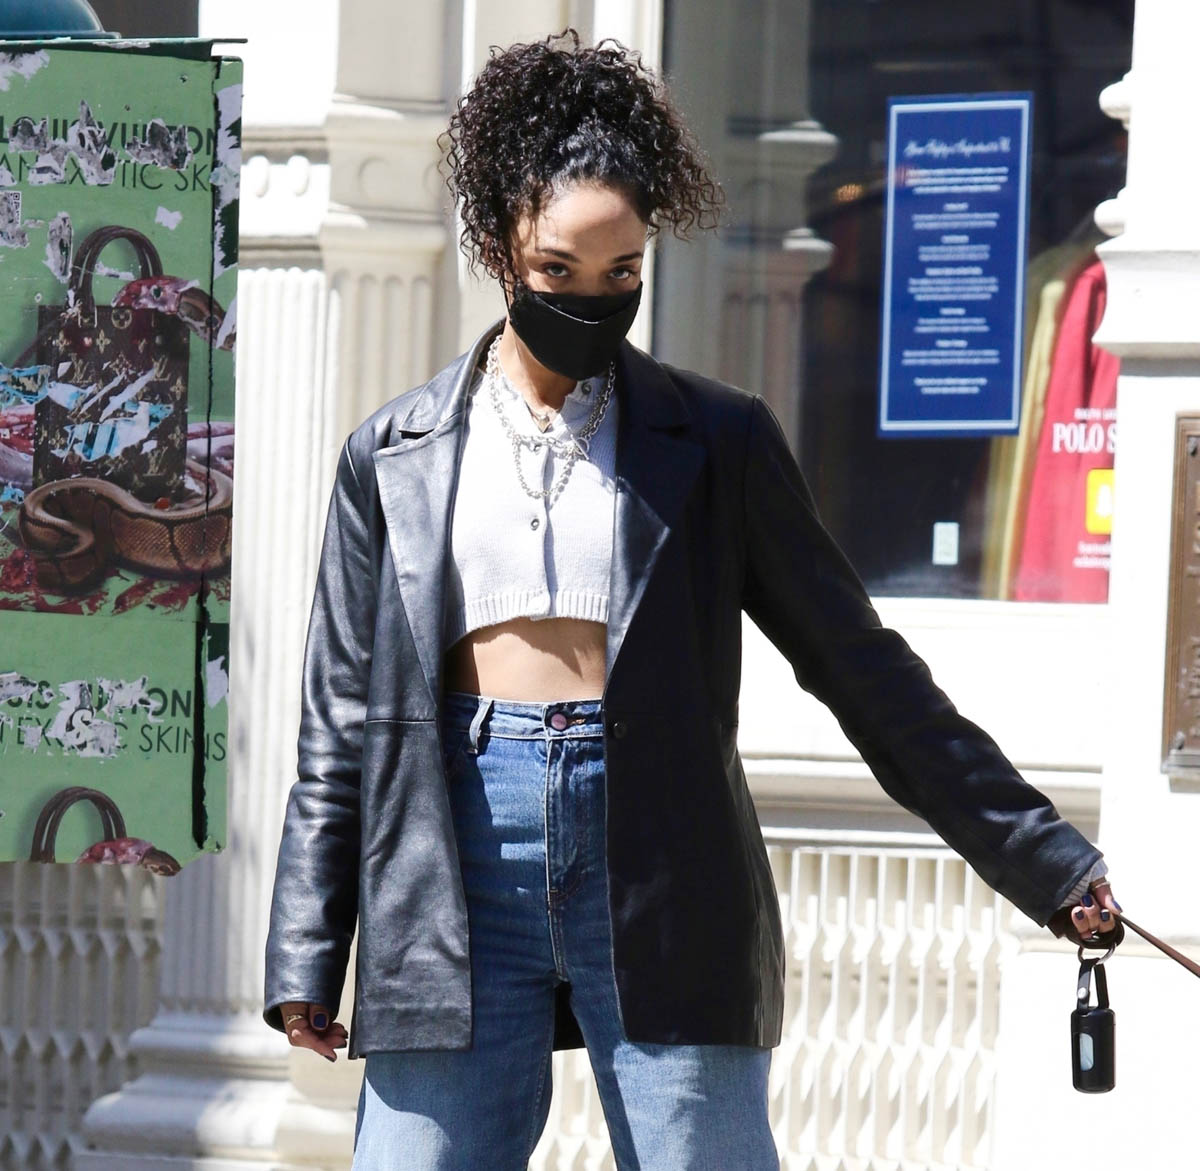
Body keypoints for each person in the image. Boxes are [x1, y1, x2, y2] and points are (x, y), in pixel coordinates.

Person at [263, 28, 1121, 1170]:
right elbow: (340, 723)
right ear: (499, 240)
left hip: (665, 854)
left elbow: (863, 669)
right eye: (559, 271)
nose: (592, 300)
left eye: (622, 275)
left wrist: (1042, 858)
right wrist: (307, 948)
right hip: (452, 868)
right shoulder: (395, 455)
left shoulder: (716, 440)